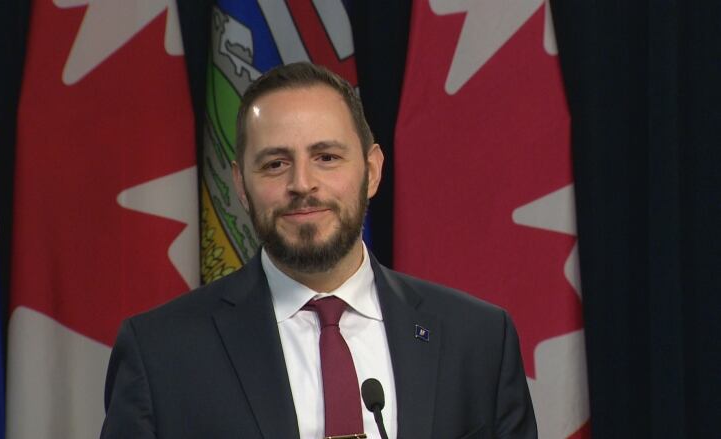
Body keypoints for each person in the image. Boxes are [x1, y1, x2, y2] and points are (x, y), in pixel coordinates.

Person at [101, 62, 537, 439]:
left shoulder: (478, 339)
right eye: (276, 163)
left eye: (326, 157)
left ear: (371, 171)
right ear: (240, 186)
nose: (302, 184)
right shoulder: (161, 352)